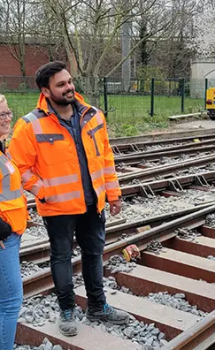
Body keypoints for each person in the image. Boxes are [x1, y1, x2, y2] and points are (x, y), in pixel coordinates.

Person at [8, 61, 129, 337]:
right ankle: (67, 309)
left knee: (94, 254)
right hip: (58, 208)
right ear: (45, 90)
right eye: (61, 84)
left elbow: (106, 158)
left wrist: (113, 193)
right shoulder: (30, 125)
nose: (69, 87)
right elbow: (18, 167)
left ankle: (98, 306)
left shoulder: (93, 115)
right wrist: (44, 191)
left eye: (69, 81)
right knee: (61, 257)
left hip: (92, 203)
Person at [0, 94, 28, 349]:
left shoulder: (2, 147)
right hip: (2, 239)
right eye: (1, 115)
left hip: (11, 234)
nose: (7, 118)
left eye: (8, 112)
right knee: (9, 302)